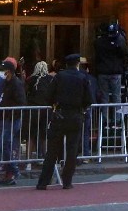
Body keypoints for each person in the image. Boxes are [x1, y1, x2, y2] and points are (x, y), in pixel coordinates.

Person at [36, 53, 92, 190]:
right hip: (76, 115)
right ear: (77, 64)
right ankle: (67, 181)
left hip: (60, 114)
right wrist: (82, 109)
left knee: (52, 150)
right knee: (72, 150)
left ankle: (43, 182)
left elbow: (48, 96)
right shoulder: (83, 78)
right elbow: (89, 99)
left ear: (66, 64)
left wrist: (55, 105)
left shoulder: (59, 77)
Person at [0, 58, 27, 186]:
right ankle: (9, 173)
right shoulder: (6, 83)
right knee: (5, 145)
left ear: (9, 71)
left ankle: (13, 170)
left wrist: (13, 113)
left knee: (6, 144)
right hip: (6, 117)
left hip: (12, 118)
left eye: (4, 70)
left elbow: (21, 102)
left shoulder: (16, 83)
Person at [94, 23, 127, 126]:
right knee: (116, 97)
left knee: (105, 97)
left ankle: (105, 120)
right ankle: (116, 120)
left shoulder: (100, 42)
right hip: (115, 72)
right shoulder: (119, 41)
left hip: (103, 72)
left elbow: (96, 47)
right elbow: (124, 53)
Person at [25, 61, 54, 166]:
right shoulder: (50, 79)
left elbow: (26, 93)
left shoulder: (30, 79)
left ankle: (28, 161)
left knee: (31, 135)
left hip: (33, 109)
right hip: (46, 109)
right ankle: (45, 158)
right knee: (44, 135)